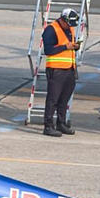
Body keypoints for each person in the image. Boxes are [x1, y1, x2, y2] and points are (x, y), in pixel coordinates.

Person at [41, 8, 80, 137]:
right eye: (68, 23)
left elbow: (69, 46)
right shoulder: (51, 30)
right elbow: (48, 50)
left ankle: (61, 123)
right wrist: (65, 47)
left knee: (64, 99)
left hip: (69, 69)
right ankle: (48, 126)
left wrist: (75, 47)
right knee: (53, 99)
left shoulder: (70, 28)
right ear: (63, 19)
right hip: (56, 70)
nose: (70, 26)